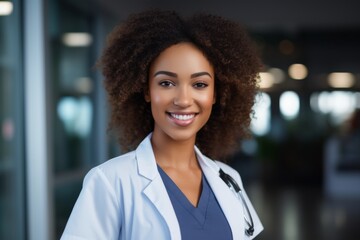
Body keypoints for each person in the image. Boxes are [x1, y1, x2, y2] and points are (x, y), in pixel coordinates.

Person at [61, 9, 263, 240]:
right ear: (147, 90)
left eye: (199, 84)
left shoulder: (228, 178)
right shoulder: (110, 181)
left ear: (216, 93)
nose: (183, 100)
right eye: (166, 83)